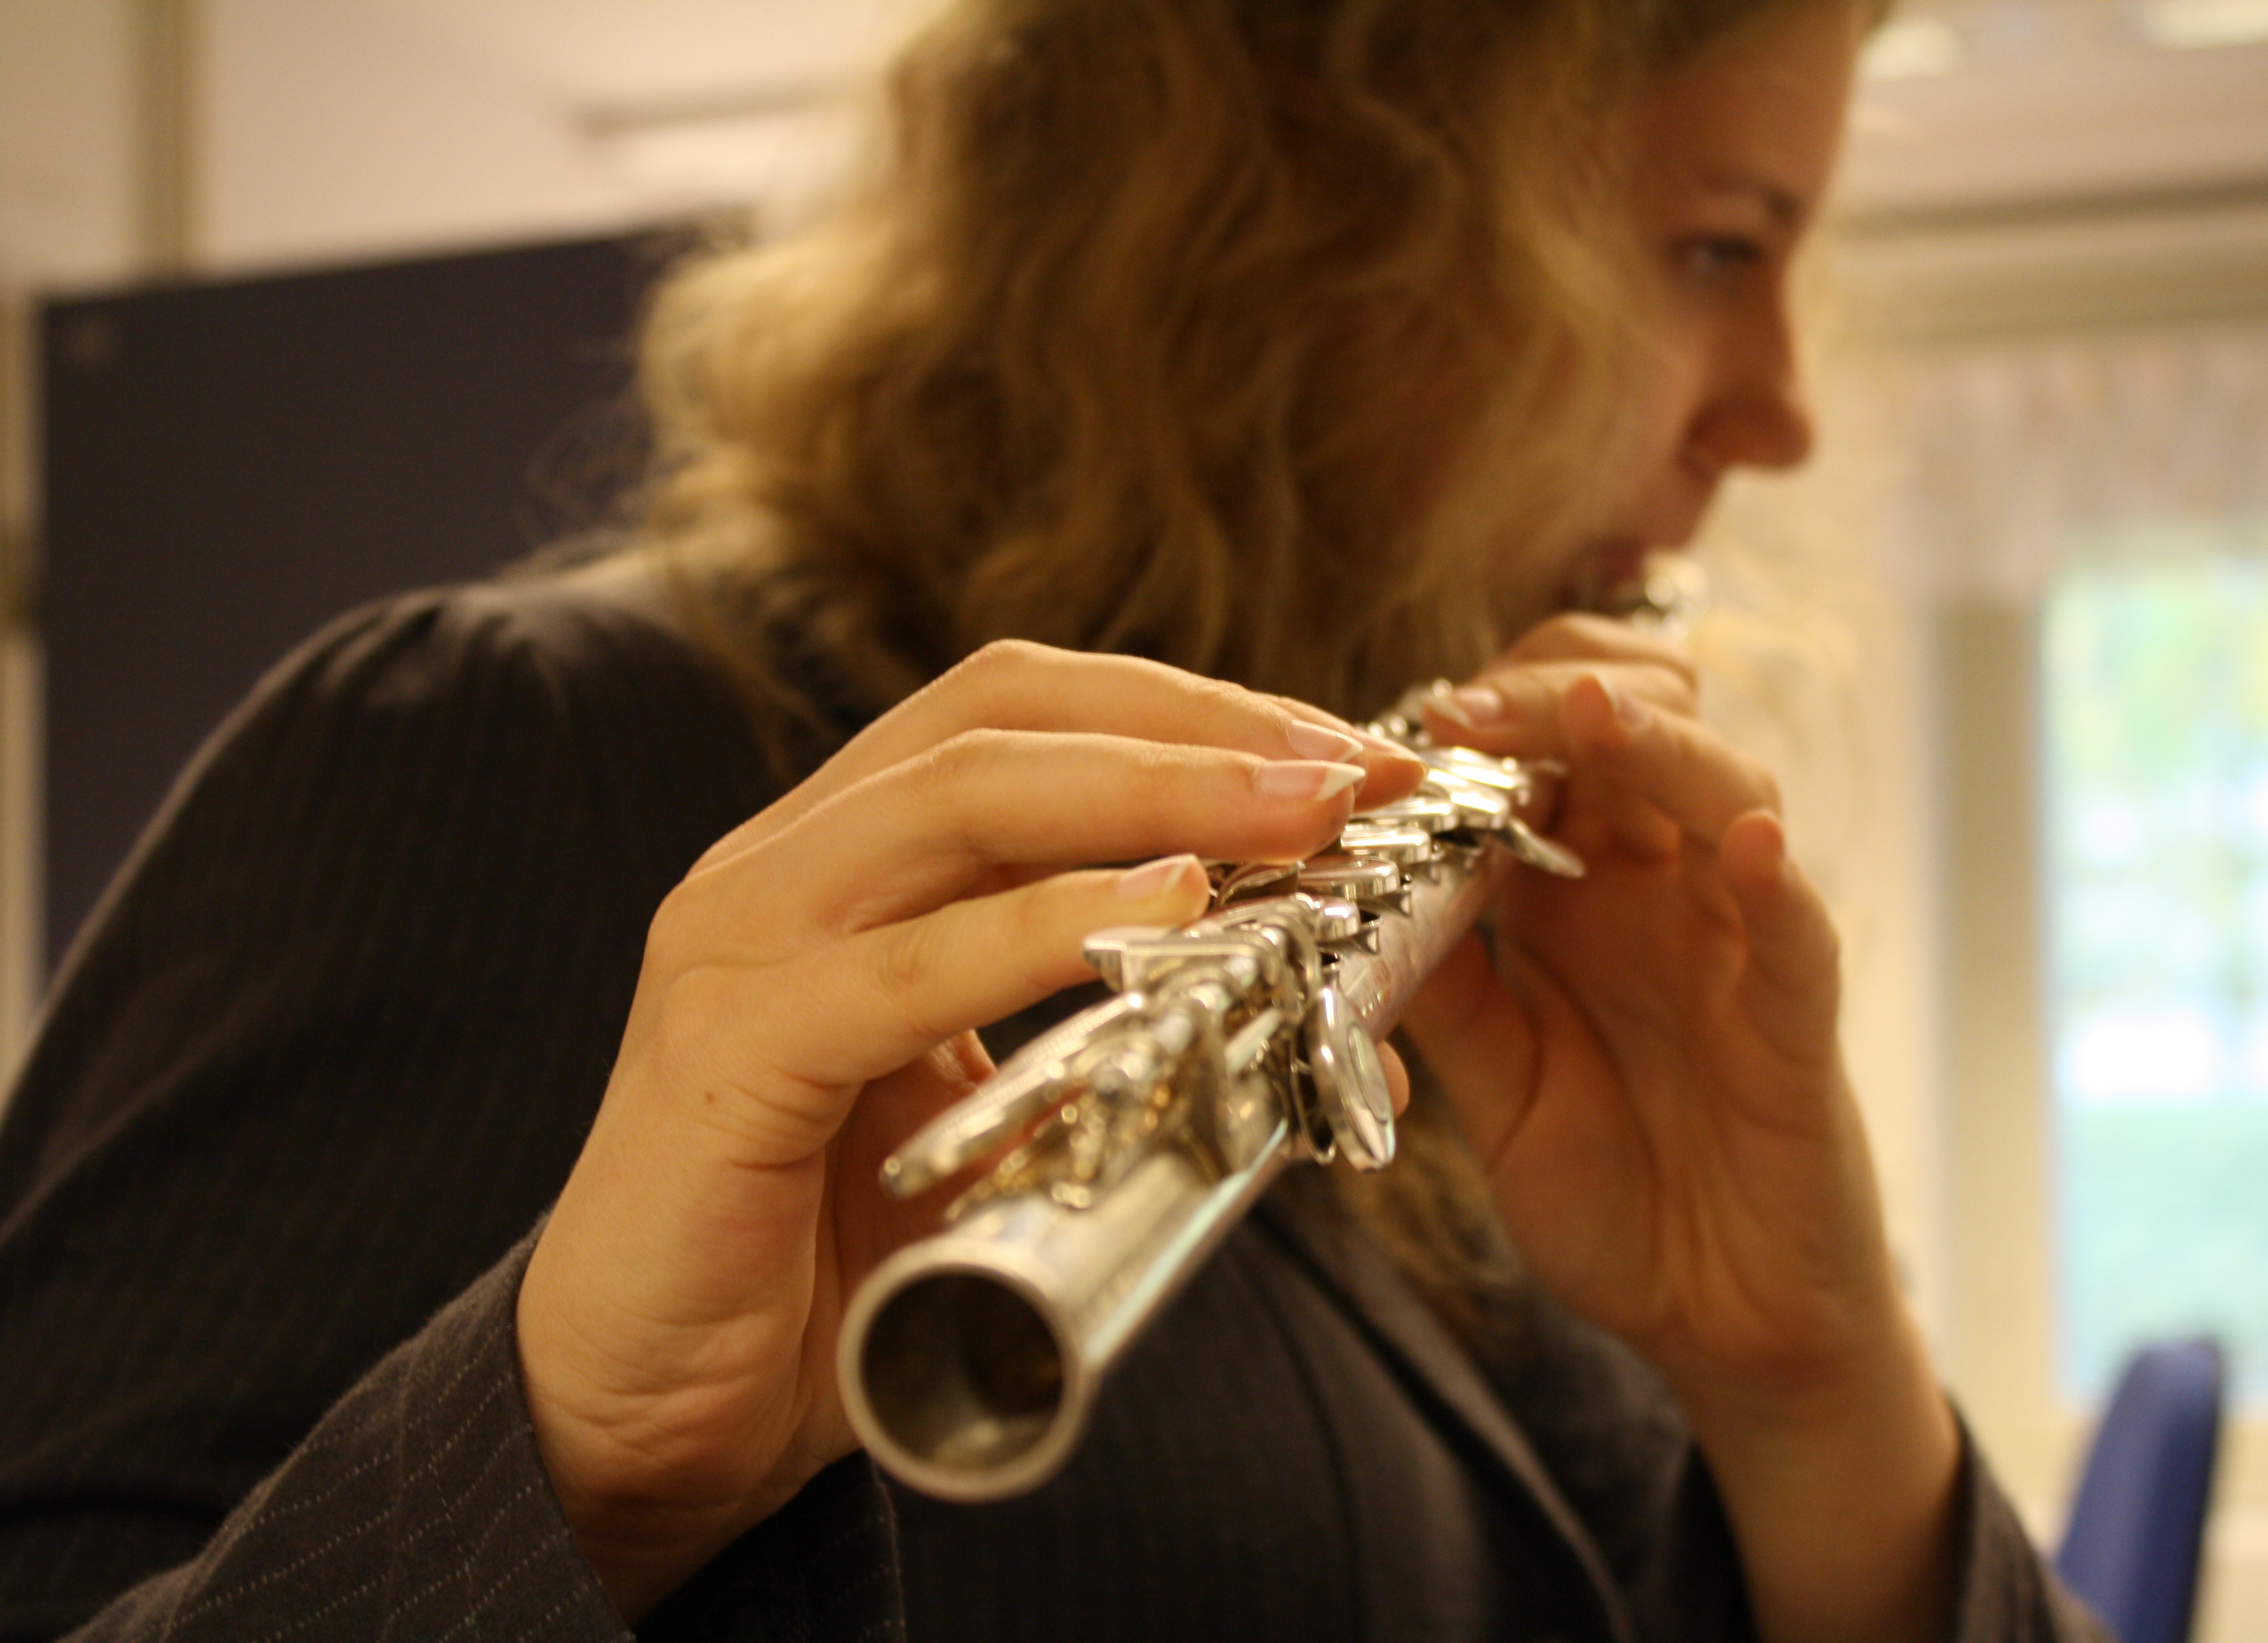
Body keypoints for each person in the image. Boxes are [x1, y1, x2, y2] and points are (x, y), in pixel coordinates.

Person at [0, 0, 2108, 1639]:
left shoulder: (1427, 898)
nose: (1780, 411)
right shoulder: (503, 754)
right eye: (1715, 245)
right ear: (1311, 212)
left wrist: (1816, 1389)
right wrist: (581, 1468)